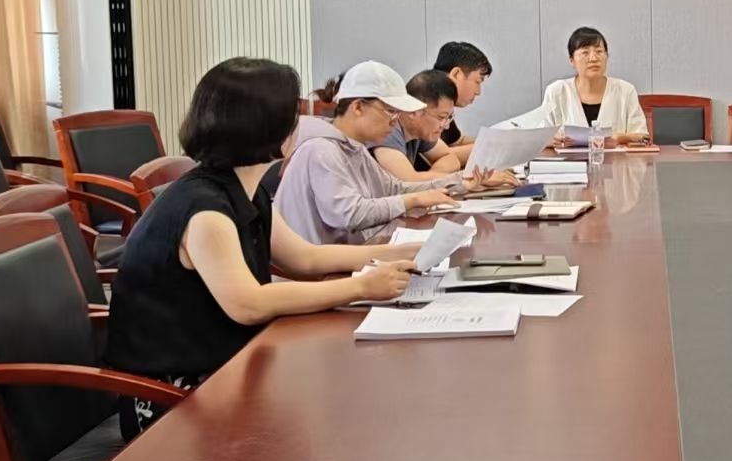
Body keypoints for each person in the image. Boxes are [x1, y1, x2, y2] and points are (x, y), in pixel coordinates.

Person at [105, 58, 420, 433]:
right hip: (172, 397)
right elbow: (248, 304)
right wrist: (361, 287)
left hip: (226, 364)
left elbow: (305, 257)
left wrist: (400, 252)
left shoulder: (243, 189)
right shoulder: (204, 209)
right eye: (292, 116)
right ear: (269, 128)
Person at [276, 60, 484, 244]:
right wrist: (414, 200)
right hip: (314, 271)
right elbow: (350, 214)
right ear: (358, 107)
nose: (395, 122)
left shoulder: (354, 147)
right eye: (391, 112)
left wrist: (460, 182)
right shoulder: (320, 149)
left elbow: (394, 188)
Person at [539, 27, 650, 145]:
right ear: (572, 60)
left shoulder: (625, 91)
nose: (593, 58)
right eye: (585, 52)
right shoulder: (556, 91)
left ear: (607, 56)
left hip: (615, 156)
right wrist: (552, 140)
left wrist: (620, 138)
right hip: (569, 157)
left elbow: (643, 137)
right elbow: (540, 138)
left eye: (599, 51)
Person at [434, 41, 491, 156]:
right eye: (478, 81)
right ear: (456, 74)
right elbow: (440, 155)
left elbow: (456, 141)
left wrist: (493, 143)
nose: (478, 92)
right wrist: (490, 148)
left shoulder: (444, 103)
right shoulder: (427, 102)